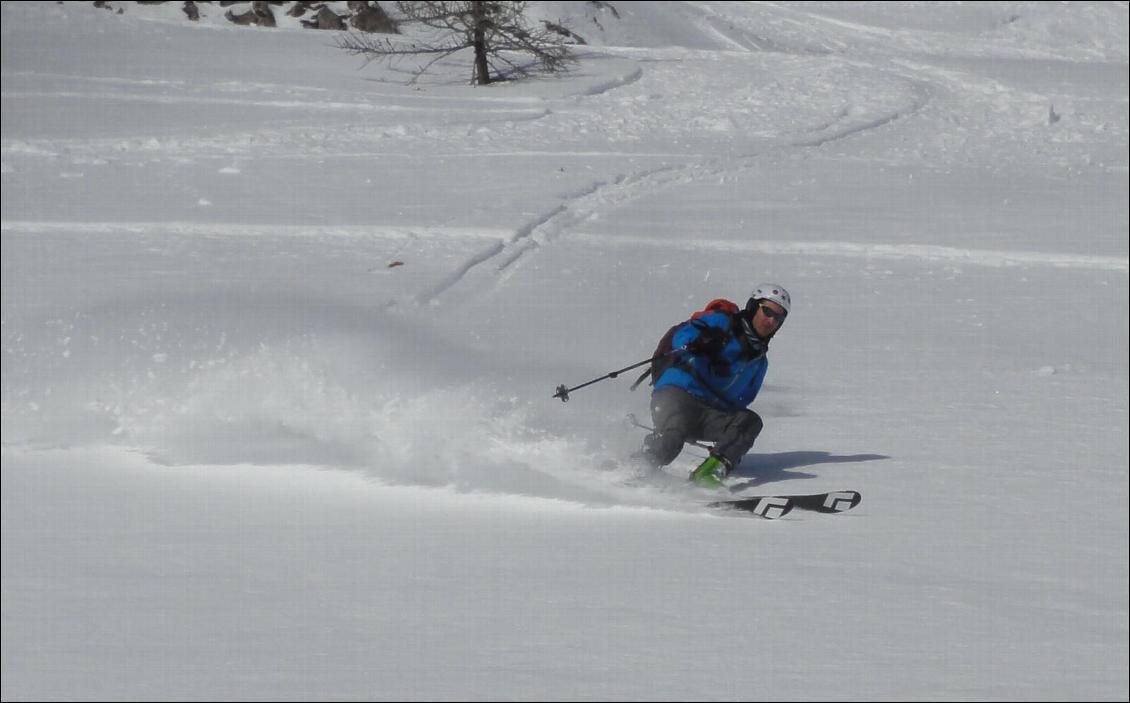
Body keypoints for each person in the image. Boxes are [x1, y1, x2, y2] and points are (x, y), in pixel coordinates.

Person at [638, 283, 792, 488]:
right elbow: (682, 337)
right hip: (676, 394)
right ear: (754, 307)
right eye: (767, 311)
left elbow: (742, 400)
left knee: (750, 421)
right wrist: (700, 343)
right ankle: (637, 467)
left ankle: (709, 474)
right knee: (673, 438)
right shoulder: (723, 322)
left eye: (778, 317)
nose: (771, 320)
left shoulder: (759, 363)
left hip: (708, 413)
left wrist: (731, 428)